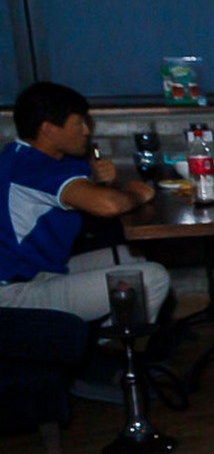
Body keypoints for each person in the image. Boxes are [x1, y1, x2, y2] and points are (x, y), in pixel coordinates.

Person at [0, 82, 171, 323]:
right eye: (78, 123)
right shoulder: (30, 166)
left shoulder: (45, 158)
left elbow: (102, 193)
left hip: (41, 271)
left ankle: (94, 337)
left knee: (132, 258)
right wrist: (137, 195)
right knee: (151, 278)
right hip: (13, 294)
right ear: (48, 129)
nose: (86, 131)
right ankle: (107, 344)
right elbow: (109, 205)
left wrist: (107, 183)